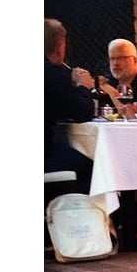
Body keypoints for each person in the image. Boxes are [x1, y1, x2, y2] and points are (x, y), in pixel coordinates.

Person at [43, 18, 95, 194]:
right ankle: (76, 220)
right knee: (97, 171)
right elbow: (83, 112)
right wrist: (82, 86)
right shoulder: (51, 72)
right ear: (59, 47)